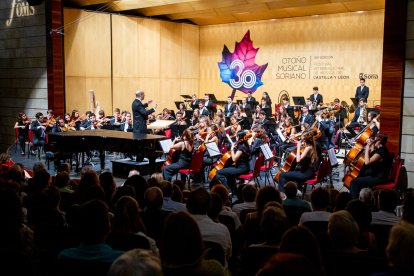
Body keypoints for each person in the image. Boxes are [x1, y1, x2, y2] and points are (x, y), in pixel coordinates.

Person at [349, 133, 391, 199]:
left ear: (379, 141)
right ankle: (360, 199)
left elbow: (367, 162)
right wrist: (371, 145)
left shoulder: (381, 152)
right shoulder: (380, 149)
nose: (373, 141)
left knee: (354, 182)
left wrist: (367, 147)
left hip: (379, 178)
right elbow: (372, 153)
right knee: (360, 176)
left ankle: (356, 202)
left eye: (375, 140)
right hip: (376, 174)